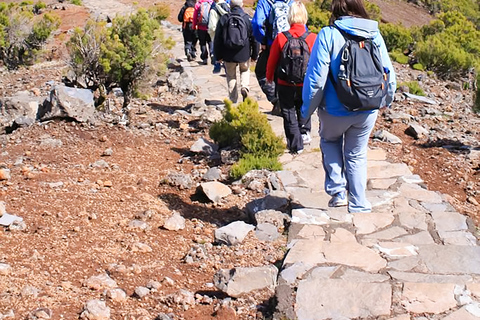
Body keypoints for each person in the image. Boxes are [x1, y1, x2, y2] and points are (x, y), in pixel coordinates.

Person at [300, 0, 396, 213]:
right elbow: (388, 72)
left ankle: (338, 193)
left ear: (335, 10)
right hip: (367, 107)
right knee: (357, 153)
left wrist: (306, 111)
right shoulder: (374, 34)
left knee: (329, 141)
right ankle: (359, 202)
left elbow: (316, 80)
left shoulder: (328, 34)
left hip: (335, 110)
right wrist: (386, 100)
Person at [266, 2, 316, 154]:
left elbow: (272, 61)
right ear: (305, 17)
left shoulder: (281, 37)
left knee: (288, 112)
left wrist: (269, 78)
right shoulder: (313, 37)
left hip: (284, 82)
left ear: (290, 17)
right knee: (304, 108)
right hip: (305, 83)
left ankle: (295, 144)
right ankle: (304, 133)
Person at [252, 0, 294, 114]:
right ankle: (284, 105)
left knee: (261, 71)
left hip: (272, 43)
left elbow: (257, 23)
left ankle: (276, 101)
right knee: (283, 73)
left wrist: (263, 40)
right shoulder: (291, 2)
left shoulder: (264, 2)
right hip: (289, 44)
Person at [214, 0, 259, 103]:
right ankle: (244, 87)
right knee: (245, 70)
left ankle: (233, 99)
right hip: (244, 53)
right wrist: (254, 55)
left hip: (228, 53)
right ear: (241, 5)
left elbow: (218, 39)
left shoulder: (224, 19)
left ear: (230, 5)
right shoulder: (247, 18)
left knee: (230, 76)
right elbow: (254, 38)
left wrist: (218, 56)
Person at [208, 0, 230, 73]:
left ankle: (217, 67)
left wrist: (212, 36)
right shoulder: (229, 7)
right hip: (229, 35)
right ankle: (227, 69)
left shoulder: (213, 10)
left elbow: (212, 27)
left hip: (218, 36)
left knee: (217, 52)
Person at [193, 0, 214, 64]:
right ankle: (212, 54)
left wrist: (194, 26)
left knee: (202, 43)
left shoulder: (198, 4)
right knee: (210, 42)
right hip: (210, 27)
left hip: (201, 27)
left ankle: (205, 58)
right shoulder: (212, 3)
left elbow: (195, 16)